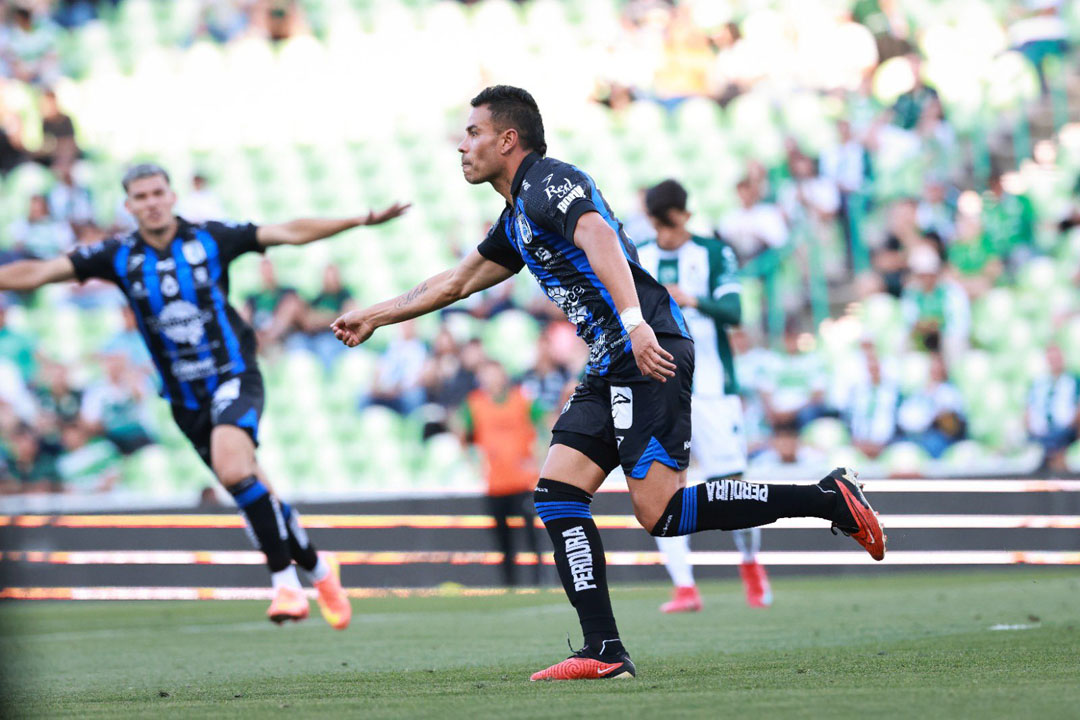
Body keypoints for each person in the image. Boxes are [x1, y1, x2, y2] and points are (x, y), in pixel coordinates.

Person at [332, 86, 886, 681]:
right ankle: (602, 650)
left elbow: (596, 234)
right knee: (557, 494)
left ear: (507, 139)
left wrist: (634, 323)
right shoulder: (517, 214)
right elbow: (457, 282)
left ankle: (827, 498)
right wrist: (376, 314)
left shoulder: (550, 182)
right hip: (609, 361)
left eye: (473, 133)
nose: (462, 145)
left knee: (662, 514)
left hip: (646, 351)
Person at [0, 162, 409, 627]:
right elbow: (40, 271)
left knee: (234, 470)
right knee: (256, 493)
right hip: (184, 399)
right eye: (141, 197)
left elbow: (288, 232)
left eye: (158, 193)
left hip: (234, 375)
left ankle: (284, 586)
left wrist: (358, 219)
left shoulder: (210, 238)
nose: (152, 202)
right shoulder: (118, 256)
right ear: (129, 205)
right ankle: (319, 570)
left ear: (171, 197)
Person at [637, 178, 771, 612]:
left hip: (712, 389)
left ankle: (750, 564)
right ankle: (685, 587)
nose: (664, 237)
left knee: (732, 484)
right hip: (660, 389)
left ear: (685, 217)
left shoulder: (714, 253)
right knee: (661, 490)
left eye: (670, 226)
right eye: (658, 227)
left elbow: (734, 312)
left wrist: (692, 300)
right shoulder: (640, 256)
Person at [459, 358, 545, 587]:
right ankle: (510, 585)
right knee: (504, 541)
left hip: (523, 482)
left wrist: (539, 459)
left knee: (532, 536)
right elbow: (464, 436)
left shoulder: (521, 399)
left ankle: (540, 582)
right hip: (495, 483)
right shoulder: (474, 403)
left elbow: (545, 424)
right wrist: (474, 464)